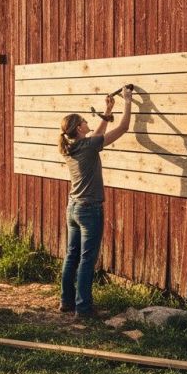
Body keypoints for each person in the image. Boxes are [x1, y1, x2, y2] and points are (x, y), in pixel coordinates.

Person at [58, 86, 133, 317]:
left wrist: (108, 109)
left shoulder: (71, 146)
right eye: (83, 121)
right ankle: (84, 308)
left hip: (73, 208)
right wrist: (127, 102)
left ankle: (67, 302)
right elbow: (123, 128)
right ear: (79, 128)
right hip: (89, 210)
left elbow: (96, 136)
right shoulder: (88, 146)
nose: (86, 122)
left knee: (72, 256)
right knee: (87, 259)